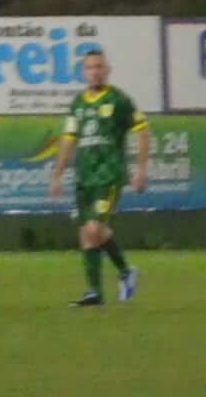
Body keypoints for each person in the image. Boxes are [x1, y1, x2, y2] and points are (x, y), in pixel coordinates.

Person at [44, 46, 148, 306]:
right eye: (90, 67)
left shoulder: (119, 100)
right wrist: (57, 174)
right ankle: (98, 290)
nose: (95, 72)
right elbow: (68, 140)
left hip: (109, 175)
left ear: (107, 70)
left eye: (99, 67)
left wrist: (141, 168)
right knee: (87, 234)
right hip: (84, 177)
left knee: (93, 228)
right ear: (83, 72)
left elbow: (143, 131)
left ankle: (122, 273)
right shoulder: (78, 104)